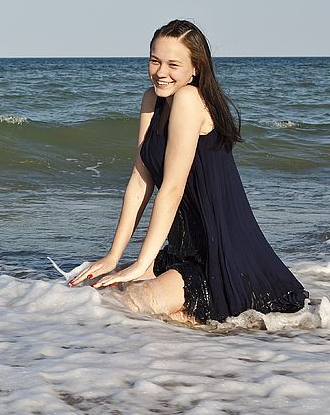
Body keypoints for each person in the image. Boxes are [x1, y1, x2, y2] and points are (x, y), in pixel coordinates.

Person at [69, 19, 309, 325]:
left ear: (195, 68)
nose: (161, 72)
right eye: (155, 61)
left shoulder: (189, 99)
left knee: (130, 303)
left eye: (173, 64)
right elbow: (140, 180)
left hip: (220, 255)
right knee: (100, 293)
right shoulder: (151, 99)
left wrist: (143, 263)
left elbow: (171, 188)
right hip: (183, 249)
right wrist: (113, 256)